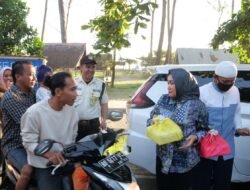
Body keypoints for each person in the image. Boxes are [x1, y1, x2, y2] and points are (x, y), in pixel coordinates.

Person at [147, 68, 208, 190]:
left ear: (182, 83)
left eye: (172, 83)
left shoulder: (197, 105)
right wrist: (153, 123)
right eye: (168, 83)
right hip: (163, 159)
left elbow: (205, 129)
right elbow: (150, 120)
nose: (168, 87)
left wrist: (195, 137)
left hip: (185, 162)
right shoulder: (163, 99)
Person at [192, 61, 250, 190]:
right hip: (206, 148)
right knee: (201, 183)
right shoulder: (203, 92)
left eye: (232, 81)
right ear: (215, 77)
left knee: (223, 184)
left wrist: (239, 128)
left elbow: (236, 112)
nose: (228, 84)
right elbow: (194, 120)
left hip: (226, 147)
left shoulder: (235, 91)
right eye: (225, 81)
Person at [21, 72, 79, 190]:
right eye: (72, 90)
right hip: (44, 166)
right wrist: (49, 155)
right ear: (58, 92)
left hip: (67, 162)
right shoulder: (34, 113)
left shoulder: (72, 111)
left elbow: (72, 139)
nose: (76, 94)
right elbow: (28, 142)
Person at [1, 61, 36, 190]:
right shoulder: (11, 97)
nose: (34, 78)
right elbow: (29, 124)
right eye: (30, 75)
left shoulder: (33, 93)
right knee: (28, 169)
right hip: (15, 145)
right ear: (18, 76)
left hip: (31, 142)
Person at [74, 54, 108, 141]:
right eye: (88, 67)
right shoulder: (73, 83)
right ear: (81, 68)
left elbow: (104, 104)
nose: (91, 70)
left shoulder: (100, 84)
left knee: (93, 152)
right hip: (75, 125)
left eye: (93, 67)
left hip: (93, 126)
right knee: (74, 152)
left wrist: (104, 120)